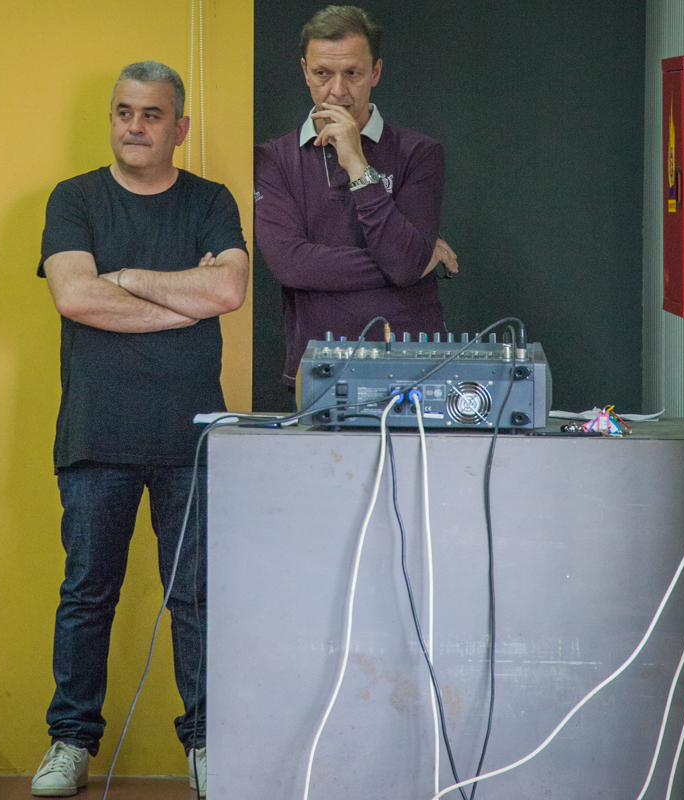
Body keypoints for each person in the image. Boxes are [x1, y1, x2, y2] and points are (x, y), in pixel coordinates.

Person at [32, 60, 249, 798]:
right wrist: (184, 302)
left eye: (152, 115)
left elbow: (228, 288)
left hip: (190, 439)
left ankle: (207, 745)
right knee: (87, 595)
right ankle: (70, 743)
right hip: (96, 435)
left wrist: (124, 278)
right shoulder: (74, 198)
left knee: (196, 598)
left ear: (179, 127)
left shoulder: (211, 201)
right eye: (124, 112)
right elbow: (74, 298)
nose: (135, 126)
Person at [254, 5, 459, 390]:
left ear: (375, 73)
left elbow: (404, 262)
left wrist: (355, 161)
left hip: (416, 365)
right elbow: (292, 265)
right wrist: (418, 256)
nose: (337, 90)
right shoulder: (272, 159)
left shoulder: (420, 153)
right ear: (305, 72)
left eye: (352, 73)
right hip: (318, 369)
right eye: (323, 73)